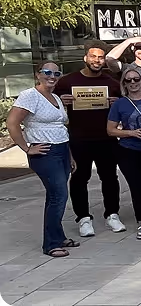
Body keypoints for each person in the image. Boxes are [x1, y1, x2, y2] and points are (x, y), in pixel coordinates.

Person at [54, 40, 127, 237]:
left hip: (106, 139)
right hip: (78, 139)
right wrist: (60, 101)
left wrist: (118, 103)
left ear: (104, 60)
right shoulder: (66, 82)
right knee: (79, 179)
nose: (97, 60)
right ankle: (83, 218)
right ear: (85, 57)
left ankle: (112, 214)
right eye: (93, 56)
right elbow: (48, 103)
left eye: (100, 57)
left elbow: (127, 105)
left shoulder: (112, 84)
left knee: (110, 178)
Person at [7, 62, 78, 257]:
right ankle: (51, 244)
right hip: (45, 152)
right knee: (59, 195)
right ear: (38, 74)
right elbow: (12, 122)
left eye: (56, 73)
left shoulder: (55, 97)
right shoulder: (30, 96)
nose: (52, 76)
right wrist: (27, 148)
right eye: (47, 72)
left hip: (62, 149)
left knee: (56, 196)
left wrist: (70, 155)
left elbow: (60, 128)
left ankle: (58, 235)